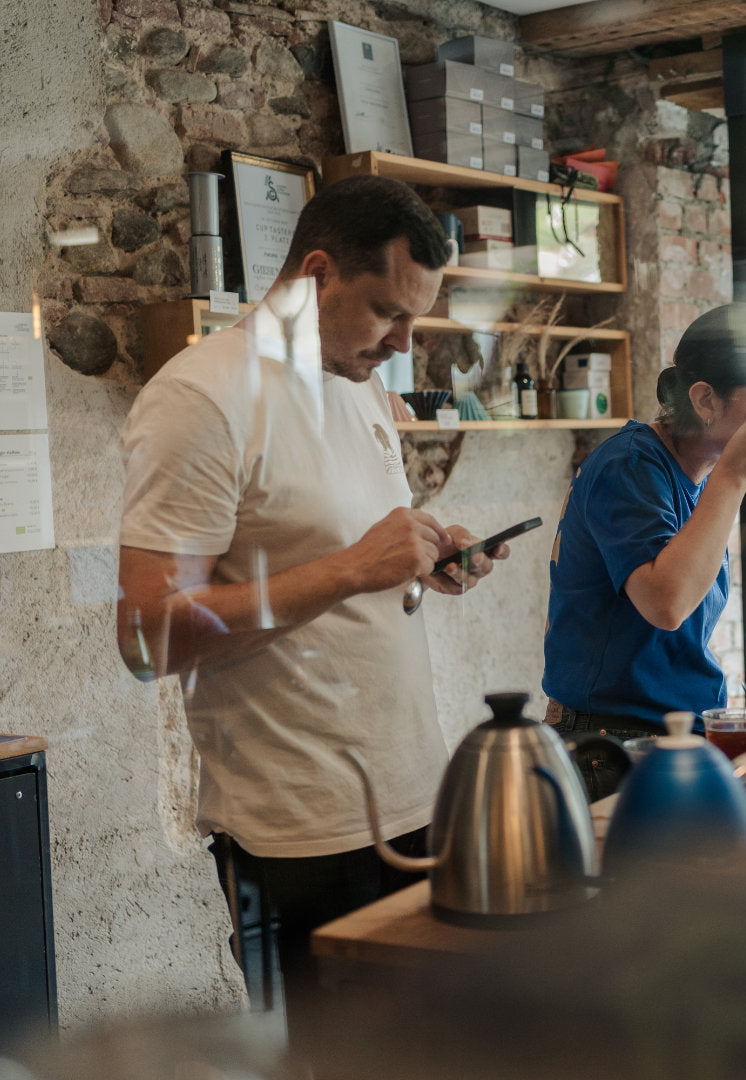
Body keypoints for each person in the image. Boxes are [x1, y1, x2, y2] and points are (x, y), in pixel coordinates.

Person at [115, 174, 505, 1047]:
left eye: (415, 319)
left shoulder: (356, 380)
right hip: (298, 835)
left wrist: (425, 558)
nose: (402, 344)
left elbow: (347, 562)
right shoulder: (201, 398)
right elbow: (145, 639)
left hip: (414, 802)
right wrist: (348, 569)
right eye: (386, 313)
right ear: (317, 273)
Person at [542, 303, 746, 794]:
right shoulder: (630, 465)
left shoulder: (698, 479)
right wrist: (734, 476)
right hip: (608, 747)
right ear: (704, 399)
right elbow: (667, 603)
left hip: (675, 734)